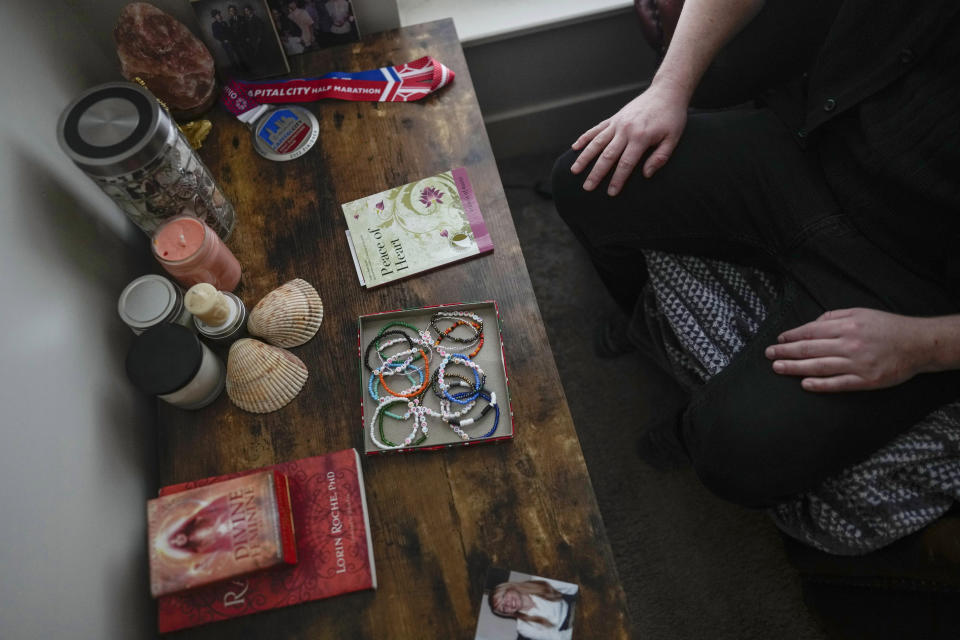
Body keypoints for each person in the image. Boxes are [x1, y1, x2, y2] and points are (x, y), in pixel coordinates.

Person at [551, 0, 960, 508]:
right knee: (584, 181)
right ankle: (646, 321)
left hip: (918, 279)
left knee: (738, 451)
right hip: (817, 143)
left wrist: (925, 347)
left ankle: (691, 423)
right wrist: (668, 89)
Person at [489, 579, 578, 640]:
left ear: (509, 588)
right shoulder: (523, 628)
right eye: (504, 608)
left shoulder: (538, 581)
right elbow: (558, 638)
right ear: (507, 613)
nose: (508, 604)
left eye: (504, 597)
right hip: (567, 631)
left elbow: (572, 587)